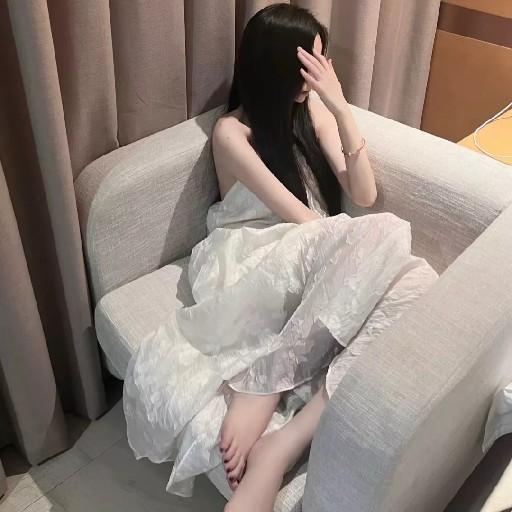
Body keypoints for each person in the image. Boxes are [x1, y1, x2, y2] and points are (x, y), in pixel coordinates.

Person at [122, 4, 439, 512]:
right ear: (275, 69)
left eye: (321, 63)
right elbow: (302, 219)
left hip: (312, 253)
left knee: (418, 284)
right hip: (250, 256)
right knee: (385, 234)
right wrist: (352, 257)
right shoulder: (232, 133)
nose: (315, 77)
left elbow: (364, 191)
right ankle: (265, 383)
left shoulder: (312, 113)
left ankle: (283, 443)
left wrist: (339, 107)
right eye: (308, 66)